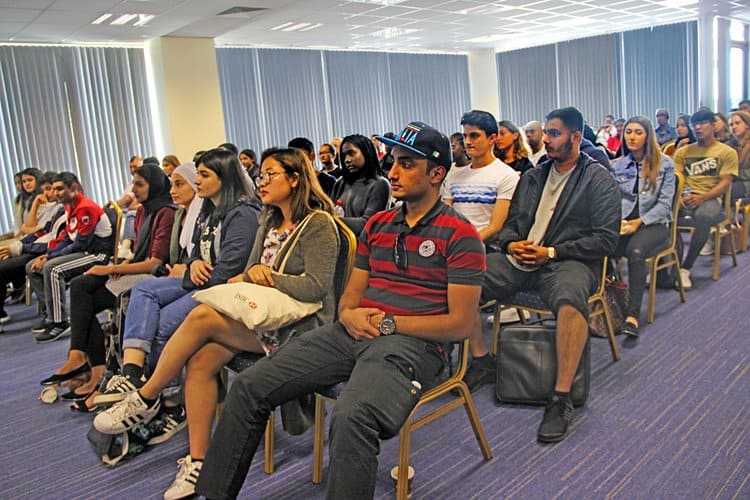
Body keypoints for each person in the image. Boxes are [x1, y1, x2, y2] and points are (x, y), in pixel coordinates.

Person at [163, 121, 485, 500]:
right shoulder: (378, 225)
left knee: (351, 416)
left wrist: (388, 323)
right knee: (249, 386)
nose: (394, 172)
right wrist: (348, 314)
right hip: (353, 332)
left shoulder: (460, 234)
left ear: (437, 174)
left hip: (413, 344)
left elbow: (460, 324)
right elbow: (349, 298)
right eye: (394, 161)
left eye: (407, 164)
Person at [94, 147, 340, 499]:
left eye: (271, 175)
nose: (262, 182)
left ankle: (146, 396)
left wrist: (268, 277)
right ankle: (198, 463)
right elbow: (248, 271)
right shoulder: (270, 220)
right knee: (200, 359)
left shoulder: (318, 225)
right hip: (260, 317)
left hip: (300, 328)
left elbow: (316, 287)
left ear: (295, 179)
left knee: (202, 315)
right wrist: (245, 278)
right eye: (261, 175)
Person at [481, 107, 620, 442]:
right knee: (466, 276)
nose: (546, 139)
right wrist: (511, 243)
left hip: (568, 261)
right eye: (545, 133)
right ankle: (479, 361)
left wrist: (552, 252)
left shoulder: (598, 179)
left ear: (576, 136)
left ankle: (561, 397)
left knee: (570, 300)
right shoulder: (533, 176)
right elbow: (510, 226)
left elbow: (606, 239)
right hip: (522, 258)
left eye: (554, 133)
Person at [93, 151, 260, 411]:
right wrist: (194, 264)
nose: (198, 181)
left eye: (204, 175)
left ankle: (168, 400)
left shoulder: (243, 214)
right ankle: (132, 373)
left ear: (225, 177)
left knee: (162, 322)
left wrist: (190, 273)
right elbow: (195, 251)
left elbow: (226, 273)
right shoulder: (207, 208)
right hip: (201, 281)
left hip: (221, 291)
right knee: (143, 290)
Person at [38, 163, 176, 408]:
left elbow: (155, 262)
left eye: (139, 184)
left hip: (155, 276)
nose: (133, 190)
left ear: (154, 185)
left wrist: (112, 269)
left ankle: (99, 372)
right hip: (139, 270)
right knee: (80, 286)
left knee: (87, 295)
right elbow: (138, 254)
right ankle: (84, 360)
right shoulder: (143, 211)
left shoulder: (166, 212)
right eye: (133, 184)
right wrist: (122, 265)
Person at [444, 110, 518, 391]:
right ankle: (439, 354)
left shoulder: (506, 176)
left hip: (488, 248)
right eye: (465, 136)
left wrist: (464, 243)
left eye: (475, 136)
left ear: (492, 139)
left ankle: (480, 359)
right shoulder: (455, 174)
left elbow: (496, 227)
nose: (468, 142)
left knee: (459, 285)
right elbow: (446, 218)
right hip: (454, 247)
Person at [27, 172, 113, 342]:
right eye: (54, 189)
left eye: (60, 189)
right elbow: (67, 238)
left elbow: (80, 245)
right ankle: (51, 314)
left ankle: (59, 322)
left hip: (96, 255)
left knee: (53, 269)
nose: (56, 193)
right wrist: (48, 254)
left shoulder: (86, 208)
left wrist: (51, 258)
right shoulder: (69, 207)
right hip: (83, 252)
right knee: (32, 266)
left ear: (73, 188)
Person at [610, 116, 676, 337]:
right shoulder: (617, 165)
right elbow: (612, 201)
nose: (632, 137)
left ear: (648, 136)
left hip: (654, 223)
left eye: (638, 132)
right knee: (599, 245)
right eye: (628, 132)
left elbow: (665, 205)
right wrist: (617, 222)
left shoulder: (665, 164)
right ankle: (611, 303)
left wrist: (639, 222)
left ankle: (632, 316)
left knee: (635, 252)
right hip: (625, 223)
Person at [673, 109, 739, 289]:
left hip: (711, 198)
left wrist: (702, 197)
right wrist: (678, 196)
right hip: (686, 196)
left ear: (713, 125)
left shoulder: (726, 152)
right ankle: (670, 266)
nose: (698, 128)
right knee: (663, 215)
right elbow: (676, 179)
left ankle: (685, 268)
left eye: (703, 124)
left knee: (704, 217)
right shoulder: (683, 152)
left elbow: (725, 182)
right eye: (695, 124)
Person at [0, 173, 65, 325]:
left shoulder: (60, 209)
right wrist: (18, 245)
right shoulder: (49, 207)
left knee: (6, 268)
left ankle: (54, 316)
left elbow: (46, 237)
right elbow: (35, 231)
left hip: (41, 250)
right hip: (33, 247)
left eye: (52, 189)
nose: (49, 193)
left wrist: (20, 247)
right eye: (46, 190)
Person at [330, 134, 391, 235]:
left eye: (351, 153)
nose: (347, 160)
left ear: (366, 152)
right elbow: (330, 213)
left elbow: (368, 224)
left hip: (366, 244)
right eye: (344, 156)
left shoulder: (380, 184)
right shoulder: (340, 183)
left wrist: (332, 221)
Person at [729, 110, 750, 199]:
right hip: (733, 181)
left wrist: (733, 175)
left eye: (737, 123)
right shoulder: (730, 145)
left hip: (747, 183)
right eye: (731, 125)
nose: (734, 127)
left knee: (727, 190)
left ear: (747, 125)